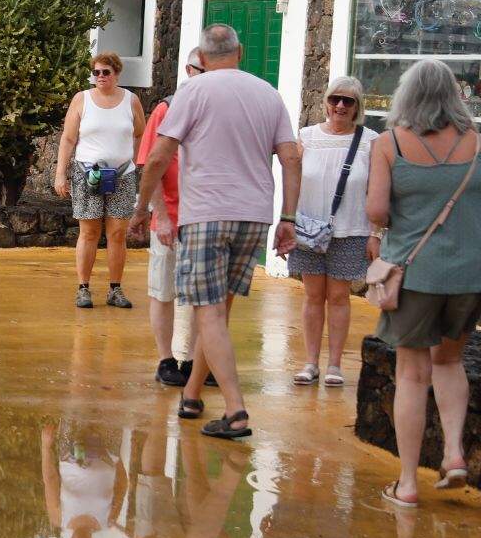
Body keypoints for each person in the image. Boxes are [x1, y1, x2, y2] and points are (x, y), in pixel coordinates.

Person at [130, 24, 300, 440]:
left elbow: (158, 156)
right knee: (218, 315)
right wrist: (289, 218)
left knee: (209, 314)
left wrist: (141, 209)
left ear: (201, 60)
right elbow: (292, 158)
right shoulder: (268, 93)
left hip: (206, 214)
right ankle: (191, 394)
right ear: (240, 51)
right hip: (254, 215)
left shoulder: (193, 91)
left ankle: (236, 410)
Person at [365, 58, 481, 508]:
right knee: (449, 362)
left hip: (416, 274)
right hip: (473, 273)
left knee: (412, 373)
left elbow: (376, 212)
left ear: (406, 96)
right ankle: (454, 453)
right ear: (454, 95)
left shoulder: (390, 144)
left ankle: (407, 484)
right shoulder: (477, 144)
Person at [289, 76, 379, 388]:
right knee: (313, 295)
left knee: (339, 296)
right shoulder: (307, 137)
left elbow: (377, 190)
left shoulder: (370, 141)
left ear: (357, 107)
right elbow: (293, 180)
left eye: (348, 101)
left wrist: (376, 233)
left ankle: (335, 364)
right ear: (326, 102)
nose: (340, 106)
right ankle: (311, 362)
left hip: (351, 230)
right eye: (335, 99)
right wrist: (286, 221)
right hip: (309, 229)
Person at [53, 51, 145, 309]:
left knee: (117, 233)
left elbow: (140, 133)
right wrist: (61, 173)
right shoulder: (82, 100)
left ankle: (115, 289)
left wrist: (134, 161)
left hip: (122, 175)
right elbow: (68, 138)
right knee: (90, 231)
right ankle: (83, 288)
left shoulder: (131, 100)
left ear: (117, 74)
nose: (101, 77)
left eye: (106, 72)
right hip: (88, 174)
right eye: (97, 72)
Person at [139, 54, 202, 386]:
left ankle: (192, 361)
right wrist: (160, 216)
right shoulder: (166, 109)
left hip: (205, 220)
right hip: (171, 218)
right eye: (200, 70)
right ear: (189, 70)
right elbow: (151, 165)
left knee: (198, 295)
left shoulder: (218, 111)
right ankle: (165, 359)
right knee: (163, 291)